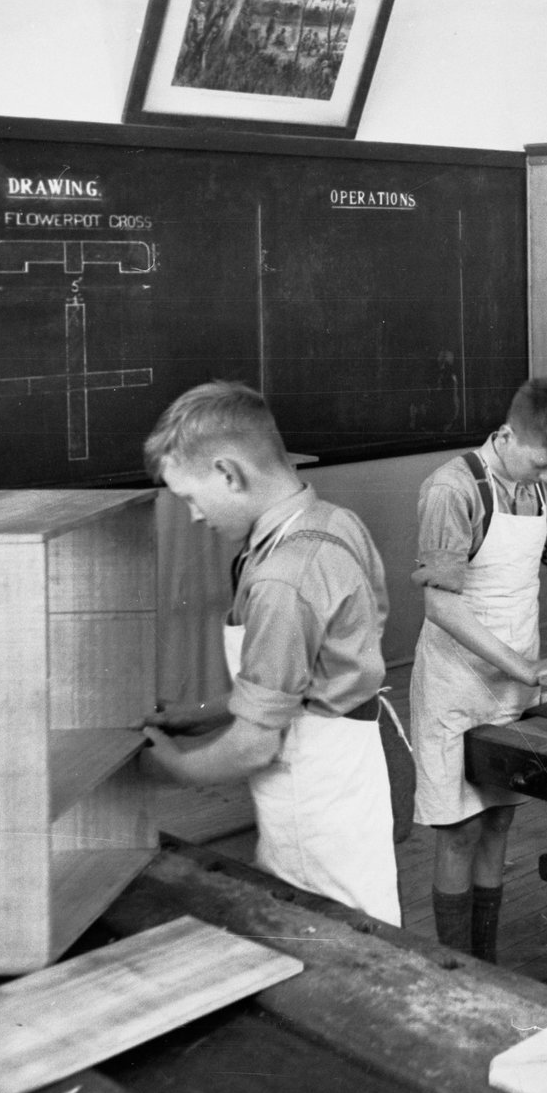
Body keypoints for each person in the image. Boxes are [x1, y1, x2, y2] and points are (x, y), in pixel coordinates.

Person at [140, 381, 402, 925]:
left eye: (190, 496)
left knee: (337, 938)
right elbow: (300, 679)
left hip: (314, 798)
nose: (192, 515)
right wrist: (201, 714)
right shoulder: (332, 522)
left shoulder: (284, 576)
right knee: (352, 920)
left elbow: (255, 747)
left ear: (229, 474)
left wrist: (171, 768)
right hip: (344, 774)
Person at [409, 378, 547, 962]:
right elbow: (441, 605)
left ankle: (487, 962)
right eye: (538, 462)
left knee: (499, 819)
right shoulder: (453, 489)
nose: (543, 476)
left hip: (518, 673)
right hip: (457, 679)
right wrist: (526, 668)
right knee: (459, 831)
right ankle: (458, 966)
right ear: (507, 434)